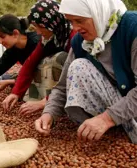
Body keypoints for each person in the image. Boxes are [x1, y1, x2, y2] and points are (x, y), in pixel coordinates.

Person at [35, 0, 137, 143]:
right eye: (71, 22)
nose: (75, 28)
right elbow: (62, 86)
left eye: (79, 20)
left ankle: (124, 128)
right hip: (117, 107)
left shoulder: (132, 28)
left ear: (97, 12)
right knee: (78, 66)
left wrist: (107, 119)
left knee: (79, 66)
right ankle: (115, 131)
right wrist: (49, 113)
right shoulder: (81, 42)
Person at [2, 0, 77, 115]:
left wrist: (45, 102)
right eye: (35, 27)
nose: (38, 31)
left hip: (73, 86)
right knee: (41, 62)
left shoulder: (74, 38)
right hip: (58, 89)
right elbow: (30, 63)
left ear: (53, 22)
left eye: (41, 27)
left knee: (60, 58)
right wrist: (15, 92)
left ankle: (59, 105)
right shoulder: (48, 39)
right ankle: (41, 98)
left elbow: (75, 77)